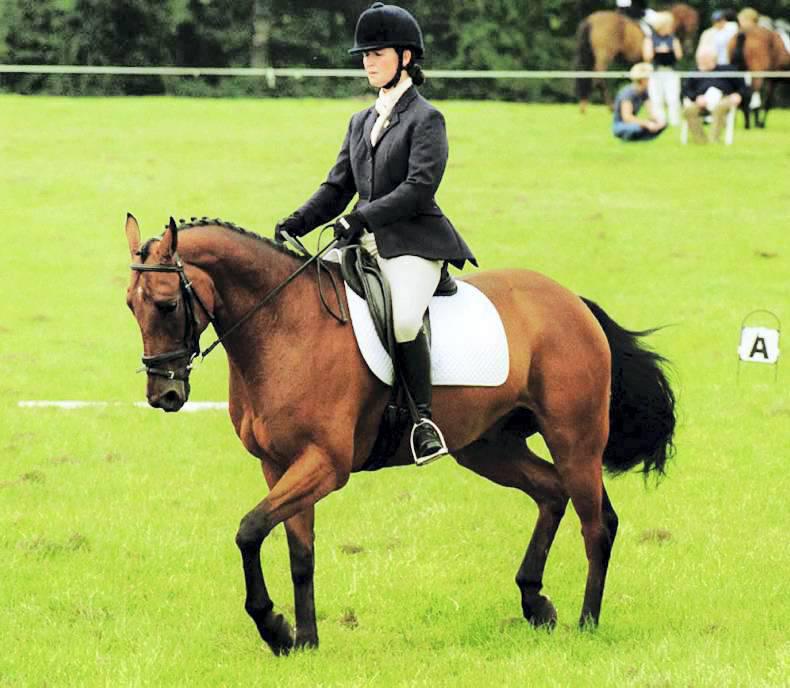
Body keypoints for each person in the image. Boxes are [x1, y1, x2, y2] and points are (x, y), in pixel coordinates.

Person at [273, 2, 477, 465]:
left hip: (413, 244)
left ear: (405, 57)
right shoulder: (361, 121)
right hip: (361, 243)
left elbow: (419, 188)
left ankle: (423, 422)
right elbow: (337, 187)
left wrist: (363, 218)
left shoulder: (426, 119)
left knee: (404, 320)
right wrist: (297, 221)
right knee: (310, 297)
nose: (368, 62)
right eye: (364, 54)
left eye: (377, 53)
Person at [681, 47, 747, 144]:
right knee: (689, 110)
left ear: (713, 59)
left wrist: (738, 94)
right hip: (702, 101)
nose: (702, 62)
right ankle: (701, 141)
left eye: (705, 59)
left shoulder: (727, 70)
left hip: (724, 99)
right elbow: (686, 90)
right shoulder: (695, 73)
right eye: (701, 59)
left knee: (720, 107)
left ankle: (713, 139)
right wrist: (696, 98)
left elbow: (743, 87)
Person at [643, 11, 683, 126]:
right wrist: (657, 51)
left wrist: (668, 51)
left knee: (673, 98)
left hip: (670, 71)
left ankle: (674, 121)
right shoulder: (650, 39)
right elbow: (647, 56)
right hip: (656, 72)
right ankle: (660, 121)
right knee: (656, 98)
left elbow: (679, 55)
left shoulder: (673, 39)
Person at [612, 62, 667, 141]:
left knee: (662, 123)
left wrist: (659, 121)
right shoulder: (627, 94)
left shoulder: (644, 92)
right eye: (648, 78)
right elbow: (627, 118)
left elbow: (651, 111)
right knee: (637, 128)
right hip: (621, 125)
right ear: (642, 80)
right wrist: (646, 124)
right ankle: (630, 138)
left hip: (633, 123)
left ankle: (643, 139)